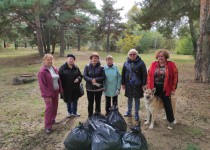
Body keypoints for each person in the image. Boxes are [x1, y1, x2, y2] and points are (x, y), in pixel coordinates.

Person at [147, 49, 178, 129]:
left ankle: (171, 121)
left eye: (162, 56)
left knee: (167, 104)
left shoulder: (171, 65)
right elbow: (149, 75)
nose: (160, 58)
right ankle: (151, 119)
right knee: (151, 103)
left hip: (165, 88)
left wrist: (173, 89)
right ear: (157, 57)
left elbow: (175, 77)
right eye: (159, 56)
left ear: (166, 57)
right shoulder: (153, 64)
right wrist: (149, 87)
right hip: (154, 87)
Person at [38, 54, 63, 134]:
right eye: (48, 60)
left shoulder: (54, 68)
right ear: (44, 60)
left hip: (56, 90)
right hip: (48, 93)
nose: (49, 61)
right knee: (49, 108)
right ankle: (48, 126)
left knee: (55, 106)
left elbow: (59, 80)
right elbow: (42, 85)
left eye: (51, 60)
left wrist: (60, 90)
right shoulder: (42, 71)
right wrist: (47, 95)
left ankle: (52, 120)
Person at [122, 49, 147, 121]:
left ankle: (136, 113)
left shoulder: (141, 63)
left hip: (138, 85)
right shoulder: (126, 62)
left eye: (134, 54)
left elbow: (144, 74)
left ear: (136, 55)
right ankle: (129, 111)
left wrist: (143, 84)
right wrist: (123, 83)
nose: (132, 55)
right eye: (130, 54)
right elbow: (123, 73)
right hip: (128, 84)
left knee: (137, 99)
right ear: (128, 55)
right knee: (129, 98)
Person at [83, 52, 106, 118]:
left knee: (98, 102)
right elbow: (84, 76)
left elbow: (104, 77)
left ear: (98, 59)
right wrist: (91, 80)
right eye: (94, 58)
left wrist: (96, 79)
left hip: (99, 88)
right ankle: (90, 116)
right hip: (89, 88)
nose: (95, 59)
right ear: (91, 59)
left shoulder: (101, 67)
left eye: (97, 58)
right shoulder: (87, 66)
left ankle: (98, 115)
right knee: (90, 103)